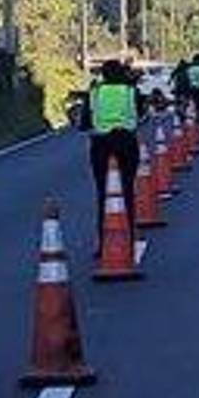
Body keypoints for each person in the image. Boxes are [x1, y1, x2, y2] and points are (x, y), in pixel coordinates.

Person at [81, 60, 145, 256]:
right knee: (127, 189)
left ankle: (103, 244)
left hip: (101, 144)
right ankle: (130, 236)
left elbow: (85, 122)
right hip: (126, 142)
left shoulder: (95, 93)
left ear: (104, 75)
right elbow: (141, 114)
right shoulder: (130, 91)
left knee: (103, 194)